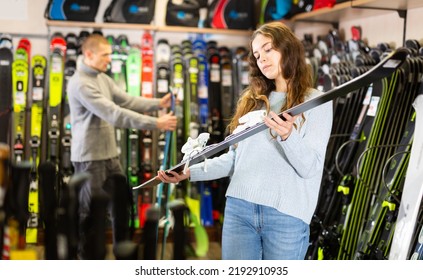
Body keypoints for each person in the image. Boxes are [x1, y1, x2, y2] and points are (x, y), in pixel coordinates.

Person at [157, 21, 333, 260]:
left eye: (268, 49)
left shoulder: (316, 102)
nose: (262, 59)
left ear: (288, 47)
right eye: (257, 55)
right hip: (239, 209)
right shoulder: (253, 101)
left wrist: (288, 136)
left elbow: (310, 167)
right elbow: (235, 160)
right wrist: (189, 171)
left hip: (286, 216)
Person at [67, 33, 177, 259]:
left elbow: (126, 99)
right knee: (91, 213)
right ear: (89, 54)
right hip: (89, 159)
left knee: (122, 207)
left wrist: (158, 104)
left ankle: (123, 257)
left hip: (109, 156)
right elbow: (114, 114)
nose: (110, 59)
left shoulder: (102, 78)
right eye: (105, 55)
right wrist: (156, 123)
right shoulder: (81, 83)